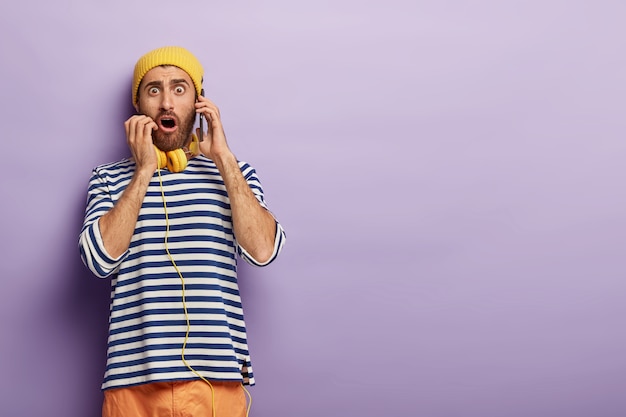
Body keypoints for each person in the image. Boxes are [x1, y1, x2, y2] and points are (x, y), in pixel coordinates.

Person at [78, 46, 286, 417]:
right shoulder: (108, 178)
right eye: (153, 90)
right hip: (133, 387)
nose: (166, 103)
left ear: (199, 101)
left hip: (215, 384)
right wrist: (142, 171)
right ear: (139, 107)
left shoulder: (234, 174)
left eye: (179, 88)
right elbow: (97, 261)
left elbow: (264, 251)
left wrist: (223, 158)